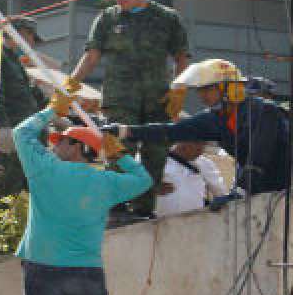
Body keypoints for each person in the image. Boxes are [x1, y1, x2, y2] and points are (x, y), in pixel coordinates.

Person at [15, 95, 152, 295]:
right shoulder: (106, 182)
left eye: (60, 142)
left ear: (76, 146)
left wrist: (51, 111)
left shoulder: (45, 169)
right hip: (86, 270)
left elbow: (21, 133)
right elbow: (144, 180)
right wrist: (120, 156)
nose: (53, 147)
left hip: (42, 266)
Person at [67, 0, 189, 218]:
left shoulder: (167, 18)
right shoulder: (107, 19)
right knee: (118, 150)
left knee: (155, 154)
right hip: (120, 99)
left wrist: (178, 90)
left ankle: (143, 209)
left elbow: (181, 57)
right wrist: (70, 85)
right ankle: (116, 207)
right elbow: (91, 57)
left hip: (158, 100)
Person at [103, 59, 289, 199]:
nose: (201, 95)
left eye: (207, 89)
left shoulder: (266, 112)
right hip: (261, 190)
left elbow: (258, 158)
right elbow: (171, 131)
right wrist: (124, 131)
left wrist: (239, 191)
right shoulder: (215, 118)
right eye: (199, 90)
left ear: (230, 88)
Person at [0, 17, 48, 234]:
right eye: (31, 39)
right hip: (9, 140)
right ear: (20, 35)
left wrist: (55, 114)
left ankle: (14, 238)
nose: (32, 45)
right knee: (4, 190)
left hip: (26, 142)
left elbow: (29, 98)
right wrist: (1, 129)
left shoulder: (14, 63)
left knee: (33, 189)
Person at [156, 141, 225, 216]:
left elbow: (220, 194)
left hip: (195, 223)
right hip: (161, 223)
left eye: (204, 144)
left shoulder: (205, 164)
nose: (201, 150)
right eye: (198, 143)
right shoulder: (157, 161)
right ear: (184, 140)